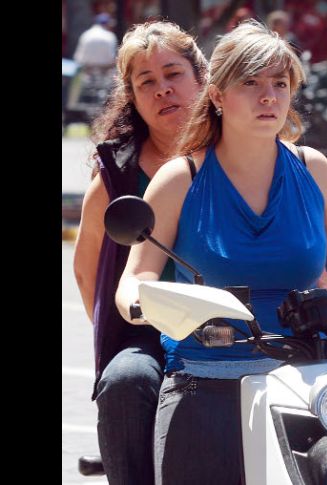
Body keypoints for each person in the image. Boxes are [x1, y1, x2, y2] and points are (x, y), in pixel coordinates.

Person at [113, 20, 327, 484]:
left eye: (279, 83)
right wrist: (142, 300)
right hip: (206, 376)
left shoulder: (315, 169)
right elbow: (136, 276)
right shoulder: (179, 179)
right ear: (218, 95)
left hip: (306, 372)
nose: (269, 96)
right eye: (251, 82)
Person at [73, 20, 208, 485]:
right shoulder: (116, 175)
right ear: (131, 96)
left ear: (201, 78)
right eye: (146, 82)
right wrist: (125, 326)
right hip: (149, 331)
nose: (163, 90)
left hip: (245, 324)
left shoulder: (238, 153)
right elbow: (89, 270)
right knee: (125, 380)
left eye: (174, 74)